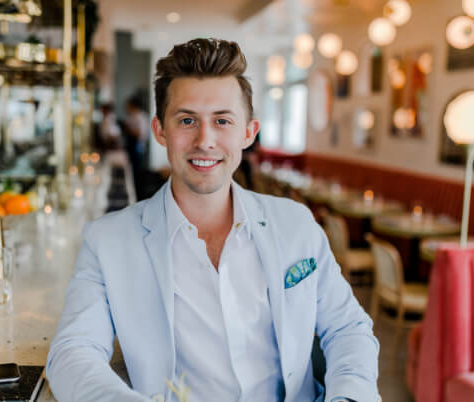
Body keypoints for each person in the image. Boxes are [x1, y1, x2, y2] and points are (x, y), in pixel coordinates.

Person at [47, 38, 379, 402]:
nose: (205, 140)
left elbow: (348, 327)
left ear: (248, 132)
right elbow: (72, 354)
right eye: (187, 120)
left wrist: (348, 397)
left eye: (222, 121)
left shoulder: (296, 223)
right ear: (161, 131)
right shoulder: (107, 240)